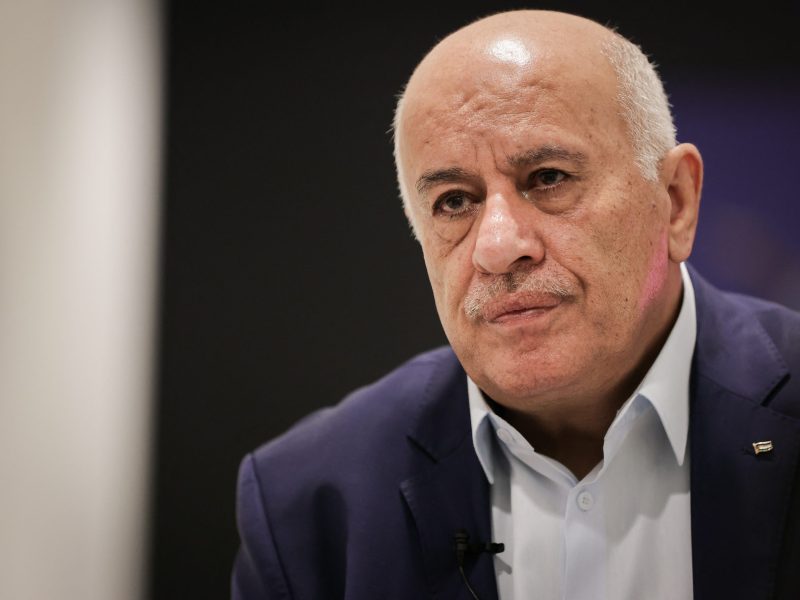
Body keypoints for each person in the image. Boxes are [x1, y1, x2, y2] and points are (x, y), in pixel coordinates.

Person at [232, 10, 800, 600]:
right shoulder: (308, 504)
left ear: (676, 201)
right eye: (454, 201)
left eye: (549, 177)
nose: (499, 247)